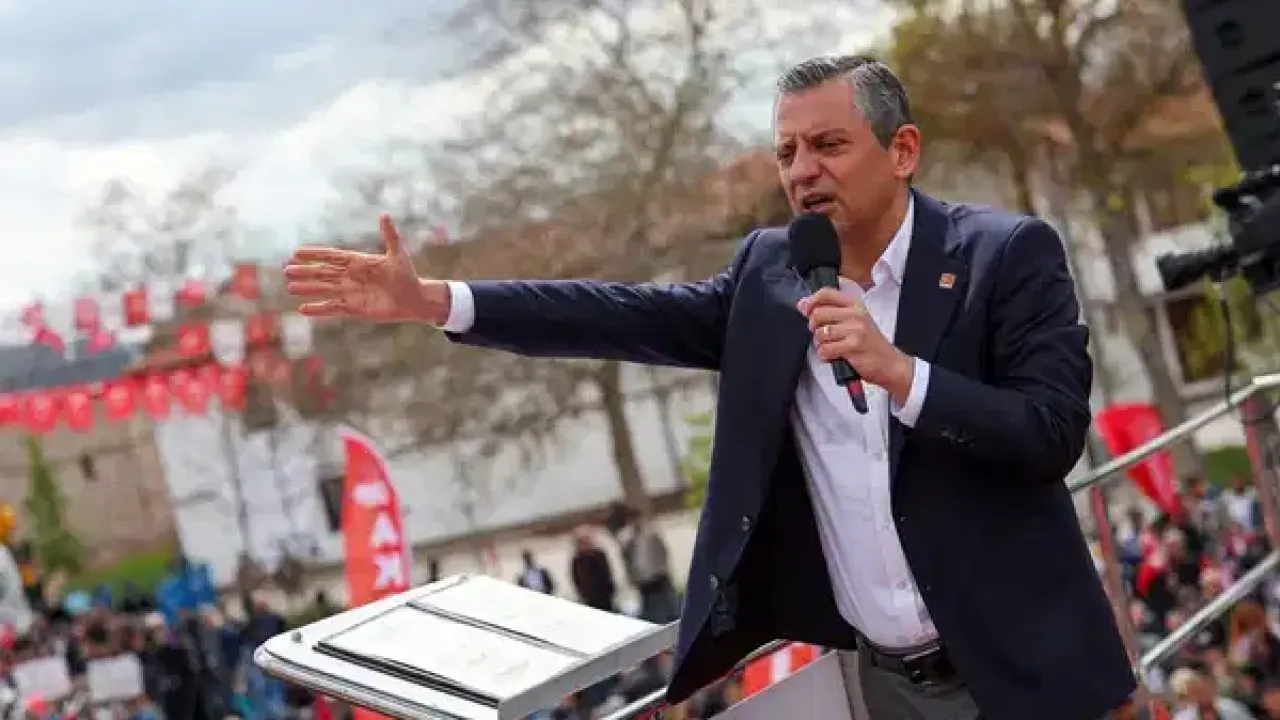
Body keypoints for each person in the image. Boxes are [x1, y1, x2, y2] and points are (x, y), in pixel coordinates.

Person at [283, 55, 1131, 720]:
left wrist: (904, 375)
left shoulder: (1005, 255)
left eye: (828, 145)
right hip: (882, 685)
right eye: (787, 152)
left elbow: (1051, 432)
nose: (803, 170)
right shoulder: (771, 271)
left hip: (1031, 670)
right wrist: (438, 301)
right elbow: (619, 315)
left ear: (902, 150)